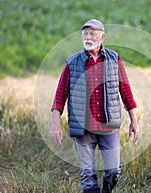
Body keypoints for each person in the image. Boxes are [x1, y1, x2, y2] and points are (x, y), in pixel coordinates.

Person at [49, 19, 139, 193]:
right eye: (85, 34)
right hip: (83, 129)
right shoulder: (72, 63)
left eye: (92, 33)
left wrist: (134, 119)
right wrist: (55, 123)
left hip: (109, 127)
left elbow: (125, 90)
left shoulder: (114, 59)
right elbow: (60, 95)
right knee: (88, 175)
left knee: (114, 170)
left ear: (102, 37)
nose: (88, 37)